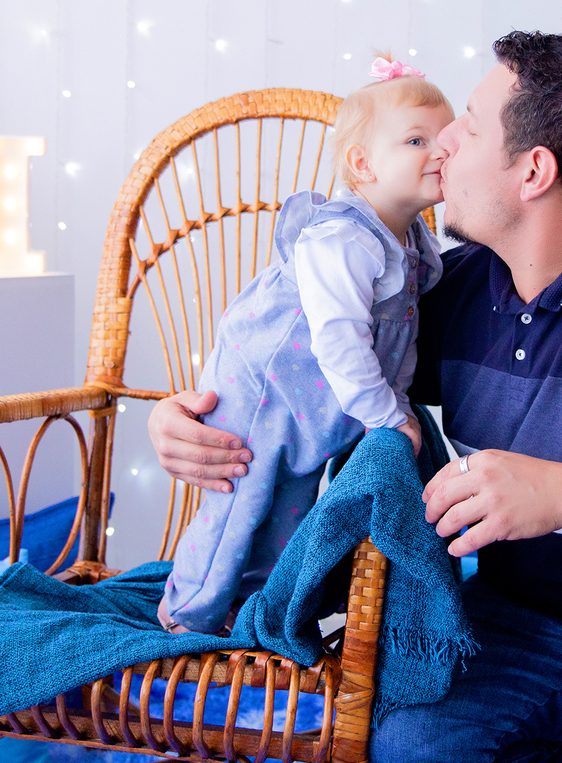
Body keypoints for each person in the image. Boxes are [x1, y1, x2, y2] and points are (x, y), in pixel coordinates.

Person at [148, 31, 562, 762]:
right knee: (401, 737)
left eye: (469, 125)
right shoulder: (458, 289)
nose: (445, 142)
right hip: (523, 625)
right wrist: (186, 414)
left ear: (533, 171)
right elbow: (316, 373)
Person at [156, 57, 455, 635]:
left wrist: (391, 405)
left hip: (312, 405)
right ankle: (188, 613)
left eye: (446, 140)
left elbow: (400, 339)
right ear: (362, 164)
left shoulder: (415, 242)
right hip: (263, 390)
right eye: (417, 140)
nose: (440, 152)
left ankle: (254, 613)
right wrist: (387, 414)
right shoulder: (343, 237)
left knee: (289, 517)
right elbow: (341, 339)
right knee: (241, 503)